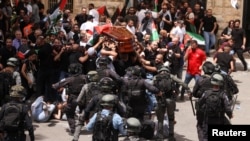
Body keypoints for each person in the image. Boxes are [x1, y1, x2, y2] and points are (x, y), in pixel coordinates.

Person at [153, 66, 191, 141]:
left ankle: (160, 137)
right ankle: (171, 136)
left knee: (160, 119)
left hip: (160, 100)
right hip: (170, 100)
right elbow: (181, 82)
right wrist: (188, 89)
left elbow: (151, 87)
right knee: (171, 118)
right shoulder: (171, 76)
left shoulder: (156, 77)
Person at [52, 63, 88, 135]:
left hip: (73, 99)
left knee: (69, 113)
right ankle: (83, 122)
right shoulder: (84, 77)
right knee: (85, 110)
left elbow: (55, 86)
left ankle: (73, 129)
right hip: (83, 98)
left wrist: (54, 85)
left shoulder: (69, 79)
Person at [198, 73, 233, 141]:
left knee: (206, 136)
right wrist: (230, 115)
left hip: (207, 119)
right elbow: (227, 108)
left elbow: (200, 103)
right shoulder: (223, 94)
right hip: (219, 119)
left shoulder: (206, 93)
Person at [192, 61, 215, 141]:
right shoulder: (218, 79)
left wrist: (201, 93)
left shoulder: (200, 80)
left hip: (202, 107)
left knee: (201, 125)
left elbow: (194, 93)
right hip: (216, 107)